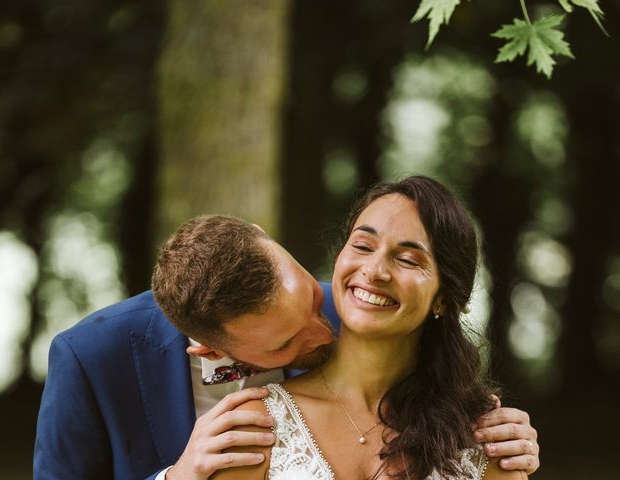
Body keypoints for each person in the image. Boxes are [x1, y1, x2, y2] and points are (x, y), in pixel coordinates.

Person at [34, 214, 539, 480]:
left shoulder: (359, 301)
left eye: (313, 304)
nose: (328, 332)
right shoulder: (91, 358)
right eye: (290, 342)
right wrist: (179, 477)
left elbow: (440, 388)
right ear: (210, 351)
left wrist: (503, 436)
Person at [210, 176, 534, 479]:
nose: (375, 271)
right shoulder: (256, 423)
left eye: (407, 259)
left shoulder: (487, 440)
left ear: (444, 299)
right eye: (363, 247)